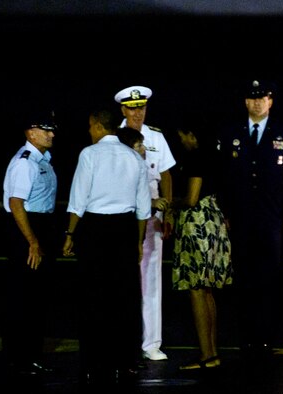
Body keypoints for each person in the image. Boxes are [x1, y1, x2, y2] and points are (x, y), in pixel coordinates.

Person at [216, 79, 283, 357]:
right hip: (242, 217)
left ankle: (266, 335)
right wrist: (227, 212)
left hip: (272, 217)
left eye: (263, 98)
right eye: (253, 98)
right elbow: (222, 176)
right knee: (243, 277)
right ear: (246, 101)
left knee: (269, 277)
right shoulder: (231, 131)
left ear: (271, 101)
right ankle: (246, 335)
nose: (257, 102)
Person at [62, 109, 151, 385]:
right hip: (125, 229)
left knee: (93, 298)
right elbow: (143, 208)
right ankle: (125, 363)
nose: (89, 131)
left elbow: (79, 199)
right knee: (125, 298)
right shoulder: (134, 158)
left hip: (95, 230)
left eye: (91, 126)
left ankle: (92, 363)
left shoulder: (89, 155)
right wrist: (138, 242)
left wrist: (70, 234)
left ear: (99, 126)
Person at [115, 85, 176, 362]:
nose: (137, 113)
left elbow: (165, 174)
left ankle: (151, 342)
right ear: (123, 109)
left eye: (141, 107)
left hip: (153, 215)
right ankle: (123, 340)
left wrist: (169, 211)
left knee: (151, 278)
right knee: (122, 279)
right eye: (132, 108)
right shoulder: (113, 138)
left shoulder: (155, 137)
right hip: (121, 213)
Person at [168, 116, 233, 370]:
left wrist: (170, 203)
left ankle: (205, 354)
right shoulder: (215, 155)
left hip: (197, 225)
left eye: (183, 136)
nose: (181, 141)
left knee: (196, 288)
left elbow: (192, 198)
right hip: (214, 221)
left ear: (192, 135)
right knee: (207, 290)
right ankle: (212, 353)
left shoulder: (196, 158)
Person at [1, 109, 58, 377]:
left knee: (36, 299)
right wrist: (32, 241)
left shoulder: (42, 159)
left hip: (39, 228)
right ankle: (18, 360)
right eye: (45, 130)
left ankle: (30, 356)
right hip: (27, 231)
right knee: (23, 299)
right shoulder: (25, 162)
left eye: (52, 129)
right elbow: (16, 203)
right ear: (30, 132)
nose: (51, 134)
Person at [116, 127, 170, 214]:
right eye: (139, 145)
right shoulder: (121, 173)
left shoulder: (139, 168)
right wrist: (152, 203)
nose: (144, 148)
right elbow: (124, 198)